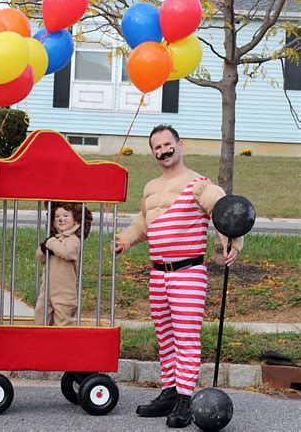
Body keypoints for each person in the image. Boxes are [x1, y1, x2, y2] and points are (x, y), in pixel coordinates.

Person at [115, 124, 242, 429]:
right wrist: (125, 240)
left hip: (188, 272)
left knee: (185, 338)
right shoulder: (150, 188)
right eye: (157, 148)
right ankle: (170, 392)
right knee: (165, 337)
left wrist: (232, 241)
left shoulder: (199, 184)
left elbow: (225, 210)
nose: (163, 151)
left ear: (180, 144)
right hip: (158, 274)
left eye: (167, 145)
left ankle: (186, 399)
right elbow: (143, 224)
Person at [34, 202, 92, 326]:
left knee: (62, 321)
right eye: (57, 217)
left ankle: (61, 343)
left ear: (75, 219)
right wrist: (44, 249)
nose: (61, 219)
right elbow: (40, 258)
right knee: (41, 316)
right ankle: (42, 341)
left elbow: (67, 252)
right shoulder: (54, 238)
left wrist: (51, 243)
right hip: (47, 288)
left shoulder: (73, 240)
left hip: (64, 290)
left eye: (66, 216)